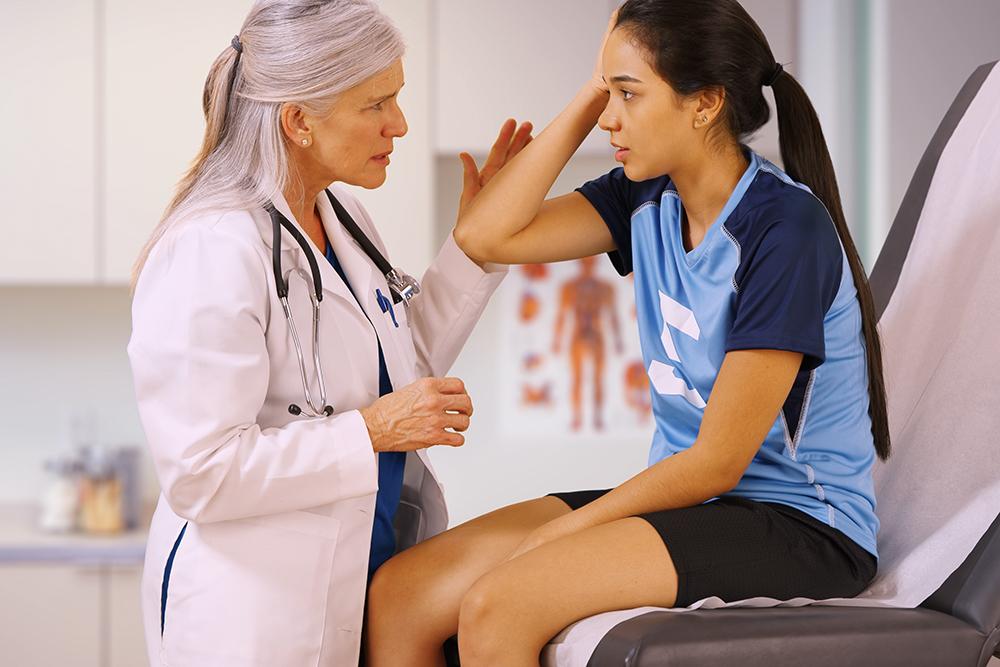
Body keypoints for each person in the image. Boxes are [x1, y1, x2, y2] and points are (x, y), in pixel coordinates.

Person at [364, 1, 889, 665]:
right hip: (697, 507)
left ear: (705, 104)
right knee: (403, 593)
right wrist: (594, 87)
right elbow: (483, 236)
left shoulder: (784, 229)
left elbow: (718, 462)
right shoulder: (645, 196)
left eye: (629, 95)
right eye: (607, 94)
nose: (609, 118)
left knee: (503, 601)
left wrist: (559, 536)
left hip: (799, 525)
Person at [126, 1, 524, 665]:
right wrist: (373, 431)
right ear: (299, 122)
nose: (399, 123)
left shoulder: (345, 220)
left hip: (359, 585)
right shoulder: (214, 245)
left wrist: (475, 245)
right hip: (252, 619)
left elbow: (395, 369)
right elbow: (203, 473)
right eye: (377, 104)